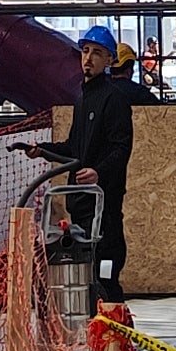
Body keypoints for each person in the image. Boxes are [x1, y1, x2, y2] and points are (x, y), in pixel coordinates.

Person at [67, 26, 154, 300]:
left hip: (103, 204)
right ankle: (96, 333)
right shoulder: (83, 98)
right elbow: (73, 147)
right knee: (89, 279)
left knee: (106, 274)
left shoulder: (113, 99)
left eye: (97, 53)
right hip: (81, 203)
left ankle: (114, 335)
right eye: (85, 51)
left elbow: (121, 148)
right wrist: (41, 150)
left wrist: (98, 172)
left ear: (109, 61)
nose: (88, 58)